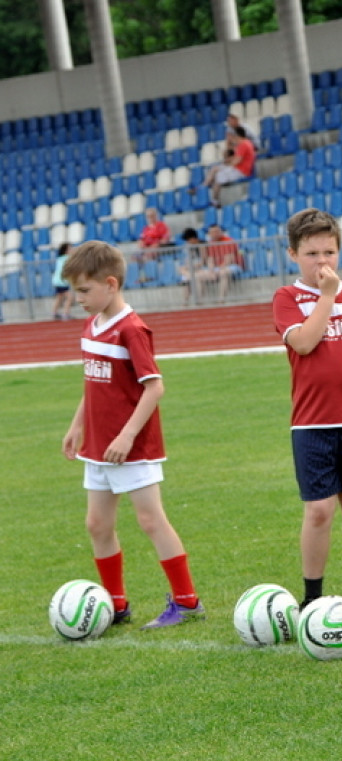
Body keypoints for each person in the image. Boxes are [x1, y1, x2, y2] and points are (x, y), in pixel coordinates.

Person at [60, 240, 204, 630]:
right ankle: (116, 604)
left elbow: (154, 387)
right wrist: (77, 426)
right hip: (97, 446)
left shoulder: (132, 329)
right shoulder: (92, 324)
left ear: (111, 283)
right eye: (76, 292)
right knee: (97, 525)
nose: (79, 300)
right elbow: (93, 384)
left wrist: (125, 437)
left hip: (130, 448)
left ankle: (187, 601)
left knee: (150, 519)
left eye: (85, 291)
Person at [272, 208, 342, 615]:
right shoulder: (288, 297)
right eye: (312, 253)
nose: (322, 262)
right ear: (293, 255)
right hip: (312, 421)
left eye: (329, 252)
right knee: (319, 509)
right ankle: (313, 596)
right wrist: (328, 297)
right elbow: (303, 342)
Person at [202, 126, 256, 207]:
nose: (234, 138)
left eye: (235, 136)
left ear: (238, 136)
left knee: (218, 175)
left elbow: (237, 161)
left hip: (241, 171)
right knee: (216, 169)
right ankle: (208, 191)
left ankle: (214, 201)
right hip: (240, 169)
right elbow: (237, 158)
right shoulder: (247, 143)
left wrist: (227, 165)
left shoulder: (243, 144)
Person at [192, 224, 244, 303]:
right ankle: (199, 301)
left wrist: (217, 271)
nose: (214, 234)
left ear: (221, 232)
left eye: (216, 231)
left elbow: (229, 259)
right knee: (198, 276)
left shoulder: (228, 241)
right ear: (209, 234)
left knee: (223, 273)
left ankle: (221, 299)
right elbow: (210, 259)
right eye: (212, 232)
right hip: (218, 267)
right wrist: (211, 270)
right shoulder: (211, 243)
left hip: (233, 266)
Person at [51, 242, 74, 321]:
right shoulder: (67, 258)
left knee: (59, 297)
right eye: (70, 248)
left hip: (57, 281)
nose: (72, 250)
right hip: (62, 281)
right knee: (69, 297)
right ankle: (66, 314)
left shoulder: (59, 258)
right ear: (66, 250)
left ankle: (54, 313)